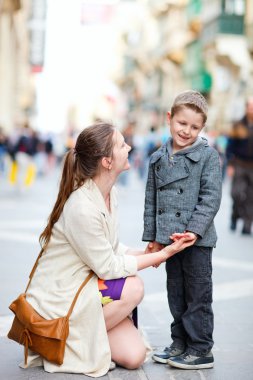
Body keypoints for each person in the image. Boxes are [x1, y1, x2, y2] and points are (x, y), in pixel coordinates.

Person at [21, 122, 193, 377]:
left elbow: (110, 248)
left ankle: (87, 333)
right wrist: (164, 255)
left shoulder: (108, 193)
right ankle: (67, 339)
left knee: (134, 356)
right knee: (134, 287)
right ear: (107, 161)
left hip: (88, 284)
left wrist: (148, 253)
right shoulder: (81, 206)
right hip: (62, 296)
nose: (129, 147)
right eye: (122, 145)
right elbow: (109, 267)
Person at [142, 91, 222, 370]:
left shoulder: (208, 157)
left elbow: (210, 199)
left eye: (194, 127)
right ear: (169, 119)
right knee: (175, 292)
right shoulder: (156, 158)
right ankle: (180, 342)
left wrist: (194, 232)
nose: (186, 131)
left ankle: (200, 348)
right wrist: (152, 238)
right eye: (182, 123)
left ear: (202, 129)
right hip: (168, 241)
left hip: (196, 242)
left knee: (198, 294)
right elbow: (151, 202)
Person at [226, 96, 253, 235]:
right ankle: (235, 216)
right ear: (246, 107)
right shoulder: (238, 125)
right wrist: (230, 165)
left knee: (251, 197)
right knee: (236, 193)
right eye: (250, 106)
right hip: (239, 164)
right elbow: (230, 147)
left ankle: (247, 225)